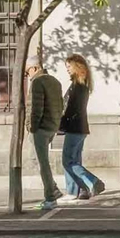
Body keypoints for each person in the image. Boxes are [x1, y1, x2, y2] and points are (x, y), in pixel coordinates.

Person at [58, 54, 105, 201]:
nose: (67, 69)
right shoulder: (82, 85)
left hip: (74, 128)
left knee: (68, 161)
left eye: (69, 66)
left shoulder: (77, 87)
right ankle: (81, 189)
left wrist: (61, 124)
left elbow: (71, 109)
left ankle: (90, 183)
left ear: (77, 66)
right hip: (80, 128)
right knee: (75, 161)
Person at [24, 62, 64, 210]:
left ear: (35, 68)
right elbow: (61, 105)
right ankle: (53, 188)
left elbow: (36, 107)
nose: (28, 76)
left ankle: (50, 197)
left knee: (42, 163)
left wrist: (31, 127)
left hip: (40, 129)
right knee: (39, 161)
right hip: (51, 127)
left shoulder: (37, 82)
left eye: (28, 72)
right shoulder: (55, 81)